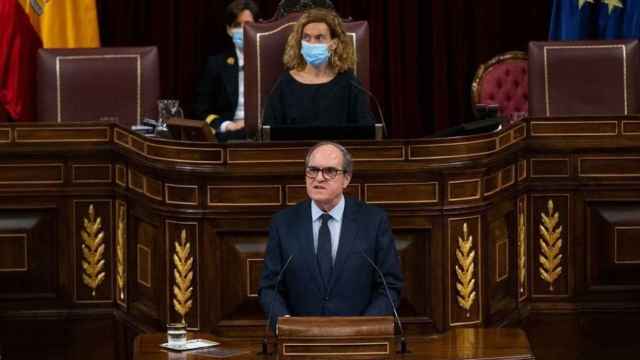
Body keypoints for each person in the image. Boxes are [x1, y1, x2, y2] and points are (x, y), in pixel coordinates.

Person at [258, 141, 403, 330]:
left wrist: (365, 326)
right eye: (312, 170)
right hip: (300, 341)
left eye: (329, 171)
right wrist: (285, 323)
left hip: (359, 341)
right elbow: (269, 287)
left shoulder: (373, 221)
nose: (318, 178)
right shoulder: (284, 223)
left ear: (346, 179)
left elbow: (390, 285)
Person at [262, 9, 374, 140]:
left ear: (333, 44)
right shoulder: (284, 84)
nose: (312, 43)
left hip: (338, 156)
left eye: (319, 38)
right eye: (306, 37)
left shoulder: (349, 83)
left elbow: (366, 132)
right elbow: (269, 135)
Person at [193, 0, 259, 142]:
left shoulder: (269, 62)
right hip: (229, 135)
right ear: (229, 30)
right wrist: (226, 125)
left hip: (262, 134)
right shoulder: (216, 64)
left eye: (248, 25)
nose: (243, 30)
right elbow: (201, 109)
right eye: (237, 25)